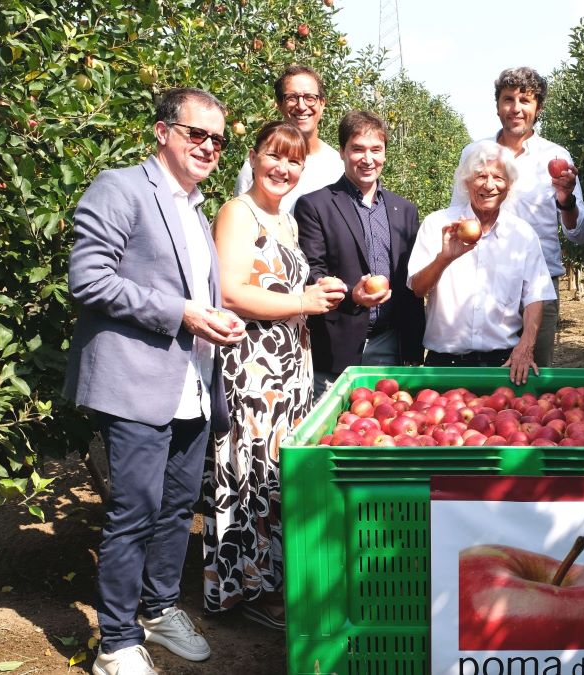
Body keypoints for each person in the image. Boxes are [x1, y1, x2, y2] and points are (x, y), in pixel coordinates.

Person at [65, 87, 245, 675]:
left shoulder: (193, 207)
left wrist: (214, 314)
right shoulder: (120, 188)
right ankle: (115, 643)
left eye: (218, 139)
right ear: (162, 132)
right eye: (197, 134)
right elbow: (89, 279)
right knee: (134, 510)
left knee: (174, 509)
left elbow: (193, 293)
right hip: (137, 381)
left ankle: (160, 608)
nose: (209, 147)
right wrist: (185, 314)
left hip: (190, 380)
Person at [202, 121, 348, 629]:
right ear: (254, 156)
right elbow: (231, 292)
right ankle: (244, 588)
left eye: (294, 161)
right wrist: (303, 300)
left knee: (274, 475)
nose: (283, 168)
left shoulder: (282, 219)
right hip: (253, 364)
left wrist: (316, 290)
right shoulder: (238, 214)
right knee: (248, 473)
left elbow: (281, 284)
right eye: (274, 156)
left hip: (287, 366)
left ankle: (271, 579)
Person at [451, 67, 584, 367]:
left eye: (525, 100)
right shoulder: (474, 154)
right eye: (508, 99)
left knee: (533, 385)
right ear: (497, 105)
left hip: (538, 287)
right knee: (482, 382)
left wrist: (566, 202)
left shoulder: (556, 157)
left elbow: (579, 234)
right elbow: (459, 218)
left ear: (538, 107)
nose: (516, 108)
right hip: (483, 280)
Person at [295, 110, 426, 396]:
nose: (368, 159)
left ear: (385, 155)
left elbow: (411, 282)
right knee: (334, 433)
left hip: (390, 345)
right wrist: (350, 295)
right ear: (342, 152)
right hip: (335, 346)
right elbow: (312, 270)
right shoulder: (315, 206)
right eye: (358, 149)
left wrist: (415, 348)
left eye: (376, 150)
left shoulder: (404, 211)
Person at [409, 140, 555, 385]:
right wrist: (444, 258)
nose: (489, 185)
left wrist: (526, 346)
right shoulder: (438, 225)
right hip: (445, 364)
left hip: (503, 364)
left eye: (498, 177)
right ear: (466, 182)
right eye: (480, 176)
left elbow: (535, 297)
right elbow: (417, 288)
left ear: (509, 184)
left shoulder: (522, 234)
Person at [234, 65, 342, 212]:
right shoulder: (258, 167)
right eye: (292, 98)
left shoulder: (338, 166)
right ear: (279, 105)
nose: (301, 106)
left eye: (310, 98)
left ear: (322, 103)